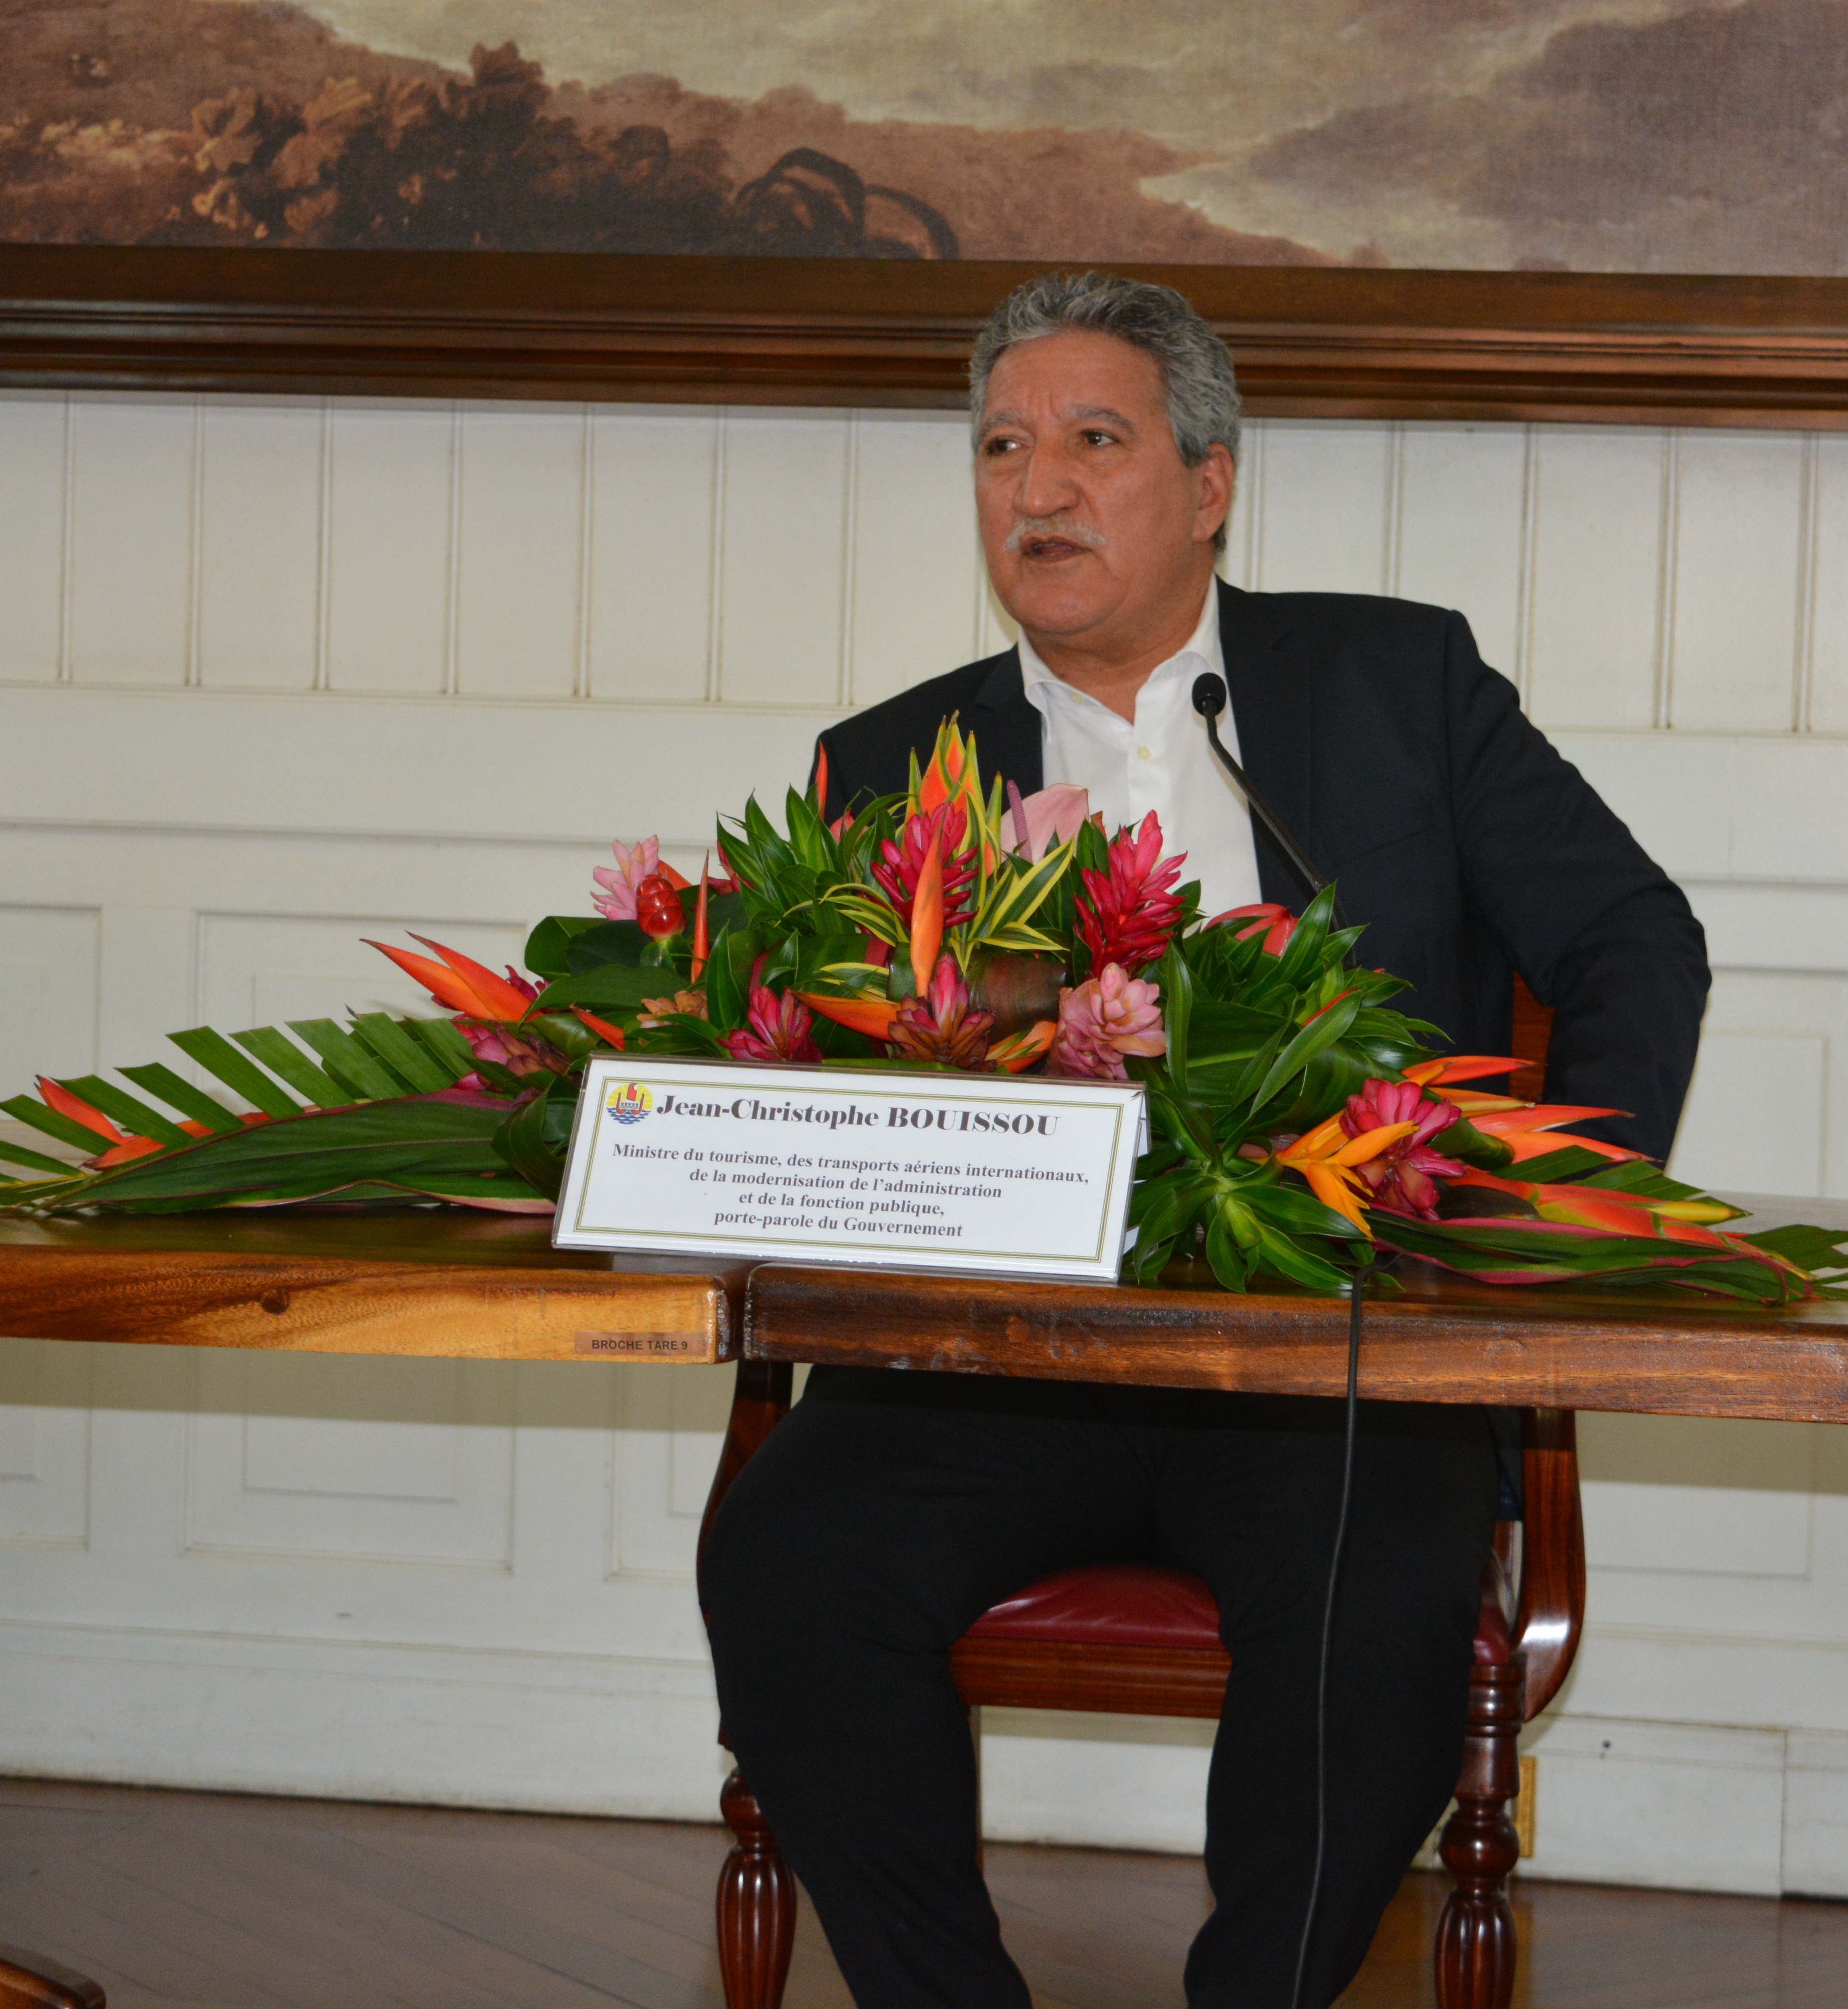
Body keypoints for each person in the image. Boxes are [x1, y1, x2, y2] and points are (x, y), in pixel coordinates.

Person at [699, 272, 1709, 2008]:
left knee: (1374, 1599)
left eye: (1096, 441)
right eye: (1005, 448)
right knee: (787, 1558)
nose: (1039, 491)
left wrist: (1531, 1219)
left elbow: (1634, 944)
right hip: (996, 1364)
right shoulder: (891, 767)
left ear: (1211, 482)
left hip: (1333, 1353)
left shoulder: (1399, 684)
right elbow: (829, 1074)